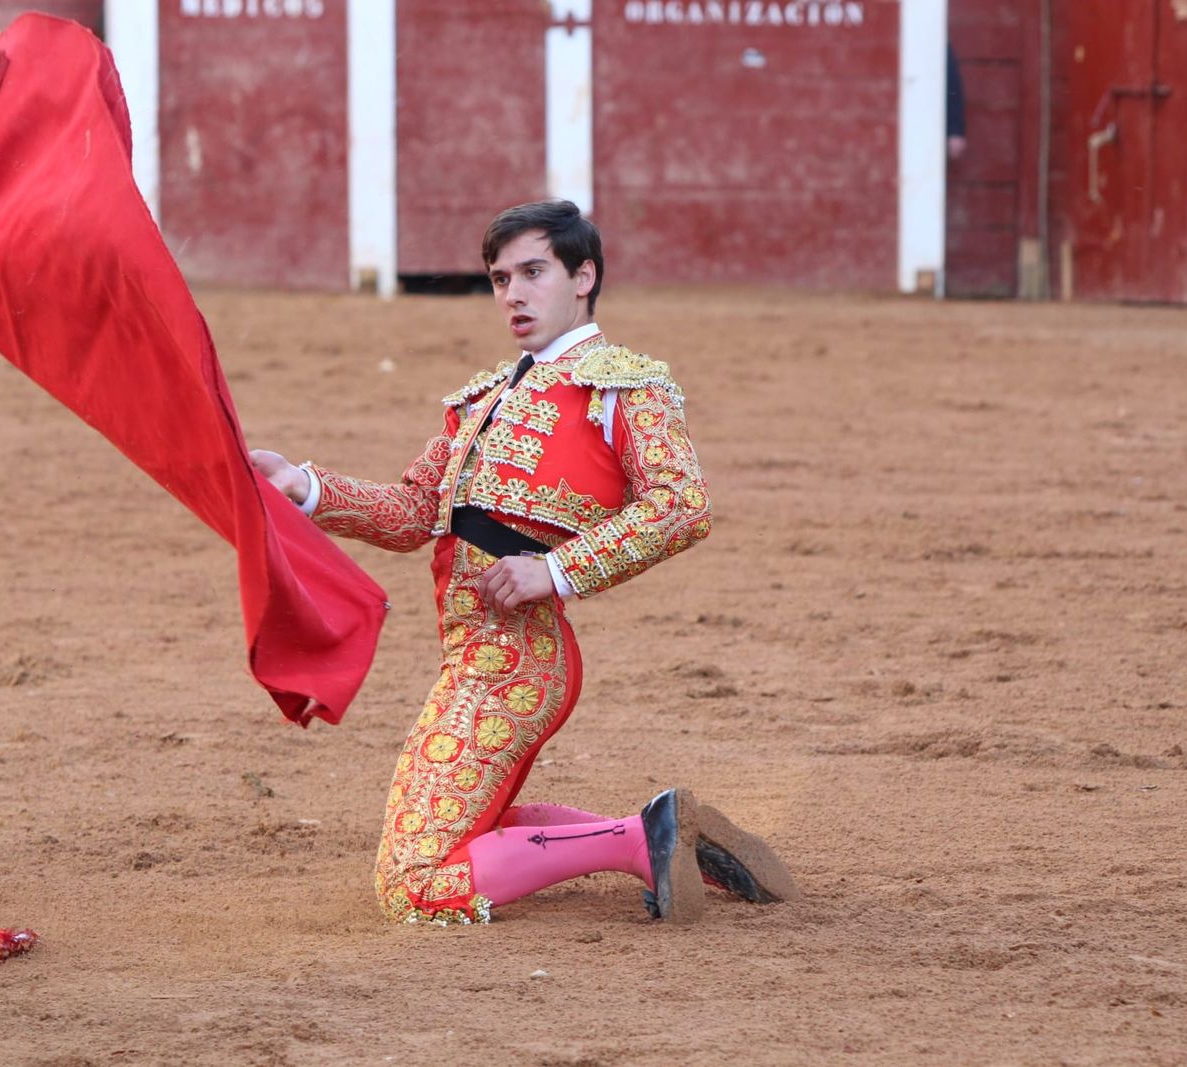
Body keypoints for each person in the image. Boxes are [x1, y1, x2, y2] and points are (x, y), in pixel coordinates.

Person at [251, 200, 797, 924]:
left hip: (519, 657)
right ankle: (665, 834)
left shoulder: (624, 386)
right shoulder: (480, 400)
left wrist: (558, 570)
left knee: (415, 883)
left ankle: (640, 838)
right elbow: (417, 511)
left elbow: (681, 504)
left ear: (584, 276)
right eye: (500, 277)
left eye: (533, 272)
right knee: (462, 832)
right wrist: (308, 487)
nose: (513, 293)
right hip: (469, 651)